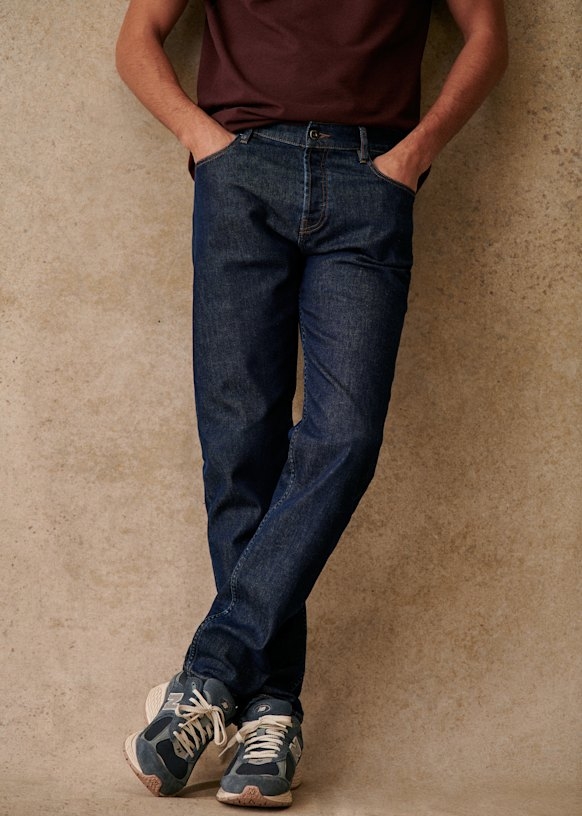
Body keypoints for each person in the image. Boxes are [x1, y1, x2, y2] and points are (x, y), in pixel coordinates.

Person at [115, 0, 508, 808]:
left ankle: (209, 674)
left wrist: (414, 155)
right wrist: (204, 141)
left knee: (347, 437)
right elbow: (137, 38)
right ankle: (270, 714)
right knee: (240, 451)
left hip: (371, 179)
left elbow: (487, 37)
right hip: (240, 172)